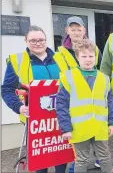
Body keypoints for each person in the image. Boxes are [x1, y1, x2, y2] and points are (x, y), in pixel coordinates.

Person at [1, 26, 67, 173]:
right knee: (40, 159)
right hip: (34, 121)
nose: (38, 43)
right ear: (26, 41)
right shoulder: (17, 60)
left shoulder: (60, 58)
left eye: (41, 40)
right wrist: (18, 107)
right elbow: (6, 89)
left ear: (46, 40)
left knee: (60, 156)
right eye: (33, 40)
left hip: (59, 117)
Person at [56, 39, 113, 172]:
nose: (88, 59)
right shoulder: (68, 77)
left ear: (96, 57)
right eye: (84, 56)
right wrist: (65, 128)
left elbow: (110, 102)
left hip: (99, 127)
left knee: (105, 157)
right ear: (77, 57)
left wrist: (112, 123)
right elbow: (61, 105)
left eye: (91, 56)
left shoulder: (104, 78)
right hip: (79, 128)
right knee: (82, 159)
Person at [54, 16, 101, 172]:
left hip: (91, 103)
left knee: (86, 143)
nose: (76, 32)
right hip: (71, 102)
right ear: (67, 31)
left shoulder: (94, 49)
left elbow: (99, 73)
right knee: (75, 144)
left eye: (78, 29)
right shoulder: (60, 53)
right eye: (72, 29)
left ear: (84, 30)